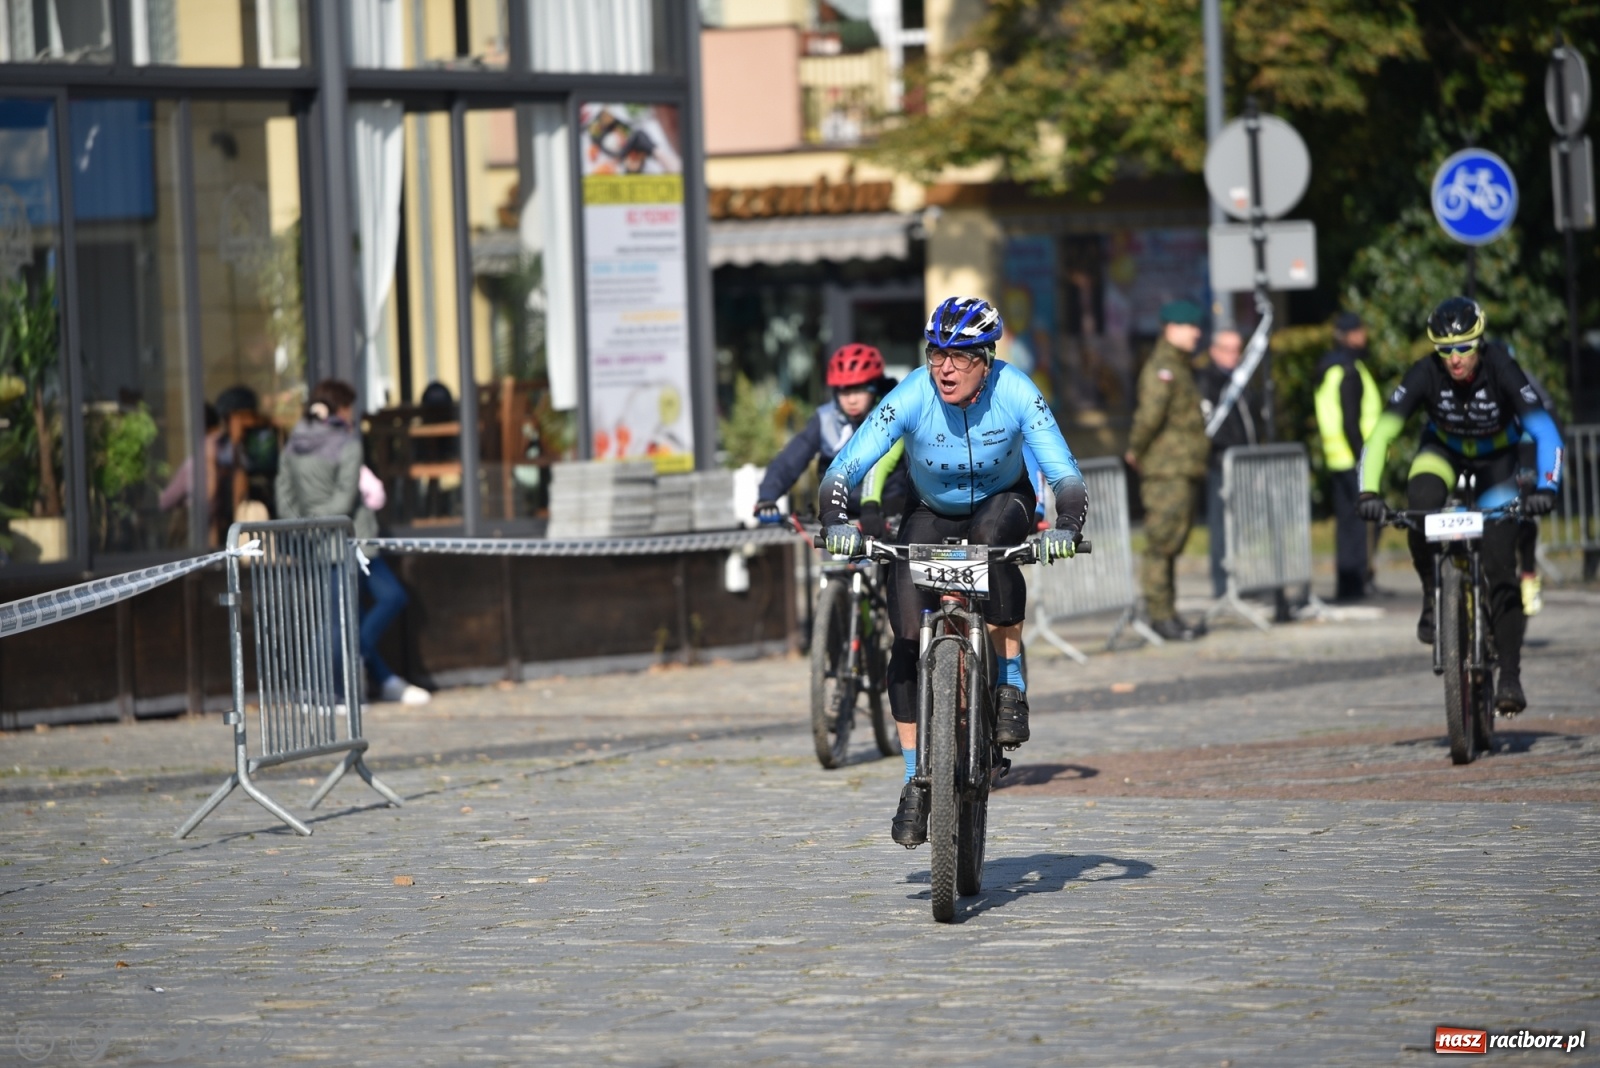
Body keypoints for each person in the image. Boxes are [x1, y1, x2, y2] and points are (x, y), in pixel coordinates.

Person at [816, 296, 1087, 848]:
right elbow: (845, 468)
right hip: (929, 511)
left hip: (999, 500)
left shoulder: (1016, 391)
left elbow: (1064, 474)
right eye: (937, 353)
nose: (945, 368)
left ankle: (1009, 684)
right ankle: (917, 778)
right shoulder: (911, 394)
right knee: (907, 634)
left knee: (994, 548)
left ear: (987, 360)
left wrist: (1067, 526)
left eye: (961, 357)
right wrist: (837, 518)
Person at [1356, 298, 1562, 713]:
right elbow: (1380, 436)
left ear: (1479, 342)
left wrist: (1547, 487)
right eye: (1445, 349)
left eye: (1464, 347)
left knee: (1500, 564)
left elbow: (1545, 432)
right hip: (1443, 452)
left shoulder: (1501, 367)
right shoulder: (1424, 373)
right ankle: (1433, 597)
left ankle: (1510, 675)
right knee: (1419, 506)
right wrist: (1369, 493)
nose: (1454, 359)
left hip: (1496, 462)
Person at [276, 379, 431, 706]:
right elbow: (345, 500)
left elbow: (284, 493)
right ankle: (323, 687)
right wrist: (323, 522)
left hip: (316, 543)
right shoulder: (346, 443)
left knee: (345, 615)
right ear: (340, 409)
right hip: (349, 540)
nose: (352, 415)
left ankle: (371, 672)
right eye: (350, 408)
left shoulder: (295, 443)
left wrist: (304, 526)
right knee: (339, 622)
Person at [1124, 300, 1209, 641]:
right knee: (1161, 543)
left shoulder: (1179, 365)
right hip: (1166, 470)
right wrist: (1135, 449)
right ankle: (1159, 615)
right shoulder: (1163, 367)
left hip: (1181, 467)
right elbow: (1149, 416)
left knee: (1172, 543)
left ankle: (1168, 612)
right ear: (1171, 328)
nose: (1197, 332)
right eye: (1190, 326)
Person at [753, 344, 905, 525]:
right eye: (845, 391)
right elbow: (790, 459)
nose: (852, 399)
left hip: (890, 513)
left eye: (859, 390)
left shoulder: (895, 414)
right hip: (842, 514)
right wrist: (768, 496)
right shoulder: (824, 419)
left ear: (874, 387)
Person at [1315, 312, 1383, 601]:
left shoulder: (1328, 367)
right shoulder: (1349, 369)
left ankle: (1347, 586)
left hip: (1336, 458)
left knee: (1347, 524)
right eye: (1359, 331)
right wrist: (1363, 458)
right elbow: (1351, 421)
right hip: (1354, 458)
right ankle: (1358, 583)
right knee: (1365, 523)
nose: (1363, 336)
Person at [1197, 328, 1260, 597]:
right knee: (1222, 528)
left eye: (1238, 350)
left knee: (1242, 526)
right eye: (1228, 349)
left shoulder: (1241, 380)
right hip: (1221, 465)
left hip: (1244, 465)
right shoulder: (1208, 382)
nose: (1234, 356)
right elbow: (1212, 426)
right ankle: (1223, 586)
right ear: (1214, 351)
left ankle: (1241, 580)